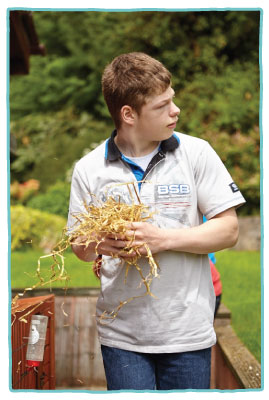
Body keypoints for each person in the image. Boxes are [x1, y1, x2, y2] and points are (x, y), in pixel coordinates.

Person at [67, 52, 245, 390]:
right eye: (162, 106)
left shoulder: (196, 153)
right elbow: (79, 246)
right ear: (129, 114)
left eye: (172, 100)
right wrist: (99, 242)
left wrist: (161, 239)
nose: (175, 110)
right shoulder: (90, 168)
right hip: (122, 336)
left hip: (187, 331)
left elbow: (229, 229)